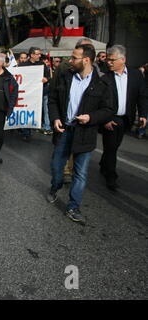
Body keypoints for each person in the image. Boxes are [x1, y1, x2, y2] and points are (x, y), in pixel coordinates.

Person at [46, 44, 116, 225]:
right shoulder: (65, 75)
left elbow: (109, 110)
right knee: (56, 167)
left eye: (74, 57)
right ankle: (56, 186)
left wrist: (91, 117)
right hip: (64, 131)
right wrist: (54, 118)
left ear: (86, 60)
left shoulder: (102, 82)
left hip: (85, 133)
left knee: (80, 173)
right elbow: (53, 99)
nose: (70, 60)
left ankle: (73, 207)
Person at [99, 45, 147, 190]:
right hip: (111, 118)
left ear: (123, 59)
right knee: (112, 148)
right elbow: (99, 101)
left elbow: (142, 96)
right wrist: (105, 119)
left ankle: (104, 162)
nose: (109, 62)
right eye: (108, 59)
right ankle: (111, 177)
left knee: (113, 146)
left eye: (112, 60)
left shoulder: (136, 75)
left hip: (126, 118)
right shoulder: (104, 77)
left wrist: (143, 114)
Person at [19, 47, 51, 138]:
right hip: (28, 94)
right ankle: (26, 132)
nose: (39, 56)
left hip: (41, 92)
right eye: (37, 54)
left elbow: (48, 76)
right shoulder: (23, 65)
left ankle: (41, 126)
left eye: (40, 54)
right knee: (28, 112)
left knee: (39, 111)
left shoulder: (42, 64)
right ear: (32, 55)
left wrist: (46, 79)